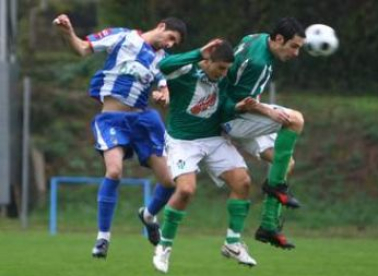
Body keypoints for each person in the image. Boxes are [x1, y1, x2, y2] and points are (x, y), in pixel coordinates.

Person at [52, 13, 187, 258]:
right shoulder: (122, 36)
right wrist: (68, 32)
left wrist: (162, 96)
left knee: (169, 182)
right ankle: (103, 238)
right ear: (161, 26)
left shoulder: (164, 60)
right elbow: (82, 49)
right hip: (112, 119)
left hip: (144, 121)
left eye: (174, 44)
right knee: (114, 171)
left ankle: (148, 215)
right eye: (170, 38)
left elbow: (164, 88)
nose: (169, 44)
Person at [151, 39, 258, 273]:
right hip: (183, 141)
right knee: (186, 190)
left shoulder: (225, 78)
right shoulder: (186, 71)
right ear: (207, 60)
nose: (224, 73)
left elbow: (225, 106)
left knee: (243, 182)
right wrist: (198, 51)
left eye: (227, 69)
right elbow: (165, 65)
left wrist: (238, 107)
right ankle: (164, 245)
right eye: (220, 68)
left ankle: (232, 243)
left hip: (213, 138)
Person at [221, 17, 306, 249]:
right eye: (294, 46)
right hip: (232, 118)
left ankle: (268, 226)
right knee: (296, 120)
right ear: (279, 39)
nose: (296, 53)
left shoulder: (255, 38)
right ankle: (276, 188)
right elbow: (242, 101)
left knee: (285, 163)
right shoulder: (258, 64)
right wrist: (267, 111)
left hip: (237, 115)